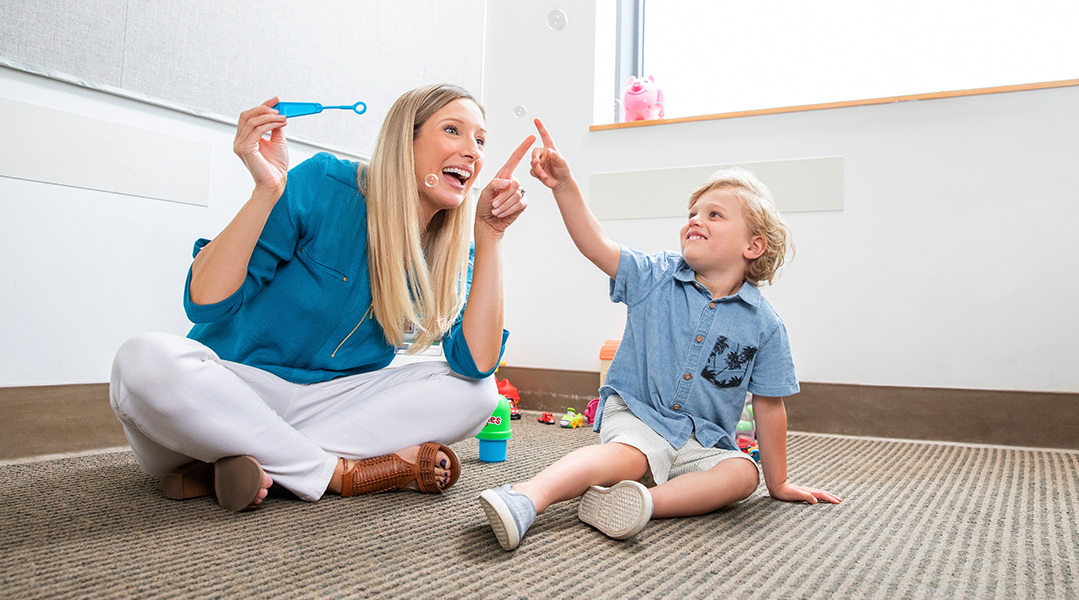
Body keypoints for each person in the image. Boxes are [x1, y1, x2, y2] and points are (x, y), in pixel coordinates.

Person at [110, 84, 535, 512]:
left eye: (480, 141)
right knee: (141, 359)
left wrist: (492, 236)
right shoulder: (325, 183)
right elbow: (204, 302)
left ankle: (255, 463)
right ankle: (336, 473)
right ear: (405, 140)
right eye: (453, 130)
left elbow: (476, 363)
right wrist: (267, 191)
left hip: (327, 408)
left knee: (479, 394)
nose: (472, 152)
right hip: (226, 395)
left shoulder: (455, 248)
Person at [478, 120, 840, 551]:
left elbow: (770, 406)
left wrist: (777, 483)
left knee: (743, 475)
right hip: (638, 415)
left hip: (700, 440)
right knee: (628, 458)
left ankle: (640, 503)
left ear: (753, 246)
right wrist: (564, 186)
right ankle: (525, 498)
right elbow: (596, 244)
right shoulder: (656, 275)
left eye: (714, 215)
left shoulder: (765, 324)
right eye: (692, 214)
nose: (695, 221)